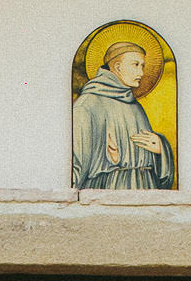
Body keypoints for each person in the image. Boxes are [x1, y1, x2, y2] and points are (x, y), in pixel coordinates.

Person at [70, 42, 173, 190]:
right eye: (136, 65)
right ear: (118, 67)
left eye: (142, 66)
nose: (142, 73)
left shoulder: (136, 106)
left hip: (146, 191)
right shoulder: (87, 105)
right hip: (110, 191)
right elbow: (77, 168)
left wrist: (161, 149)